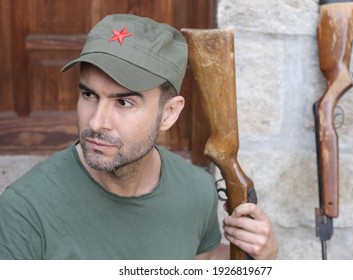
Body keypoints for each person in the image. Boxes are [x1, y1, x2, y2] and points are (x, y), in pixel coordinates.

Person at [0, 14, 278, 260]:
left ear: (169, 113)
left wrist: (260, 257)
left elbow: (198, 262)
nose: (97, 122)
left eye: (123, 103)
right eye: (89, 95)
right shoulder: (25, 209)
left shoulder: (197, 189)